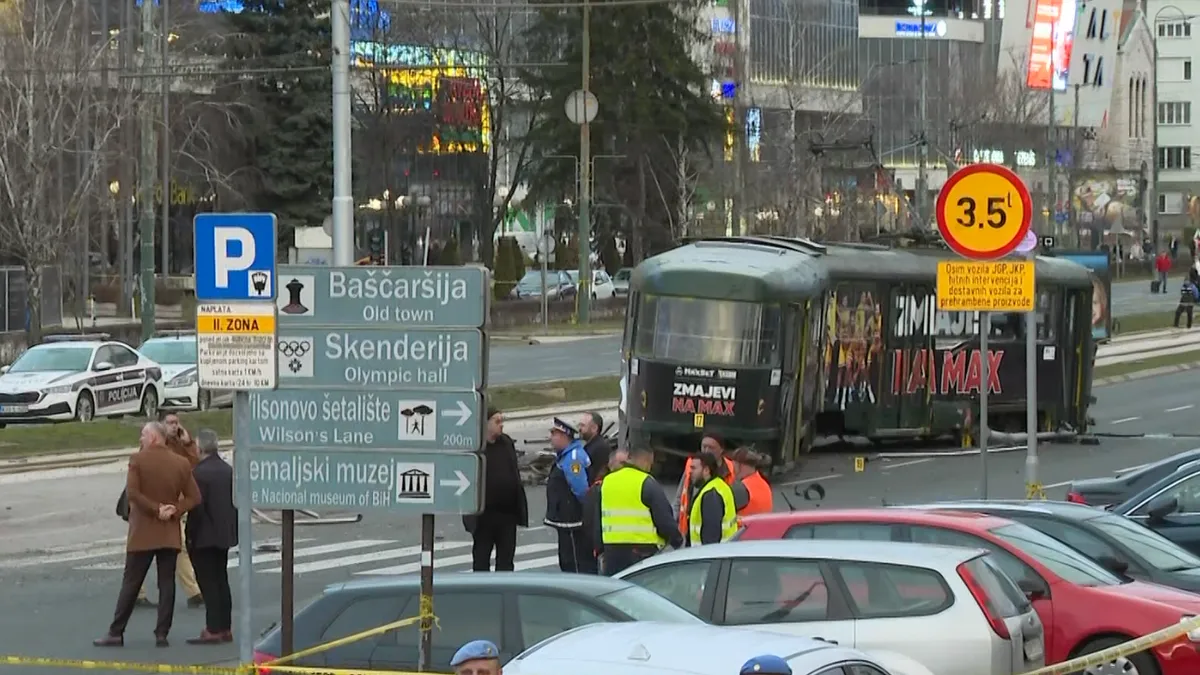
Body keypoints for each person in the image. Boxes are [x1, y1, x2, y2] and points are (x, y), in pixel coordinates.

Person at [94, 422, 201, 648]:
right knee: (167, 583)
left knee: (131, 582)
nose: (140, 439)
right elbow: (194, 497)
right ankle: (162, 633)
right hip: (169, 531)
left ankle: (116, 632)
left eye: (143, 435)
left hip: (143, 531)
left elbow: (133, 493)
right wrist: (175, 509)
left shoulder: (138, 460)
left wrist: (155, 509)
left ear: (153, 437)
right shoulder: (180, 463)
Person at [138, 413, 203, 609]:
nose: (174, 426)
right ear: (161, 426)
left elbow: (195, 466)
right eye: (170, 423)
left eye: (176, 423)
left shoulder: (179, 445)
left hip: (173, 506)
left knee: (179, 546)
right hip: (150, 508)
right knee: (143, 551)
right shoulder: (149, 447)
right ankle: (136, 592)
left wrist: (188, 443)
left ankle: (193, 592)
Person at [183, 429, 237, 645]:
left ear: (200, 448)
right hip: (224, 534)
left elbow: (196, 508)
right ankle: (225, 627)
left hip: (204, 535)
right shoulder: (228, 470)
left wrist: (190, 536)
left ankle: (213, 628)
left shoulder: (198, 474)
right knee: (221, 581)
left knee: (208, 584)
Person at [593, 446, 682, 575]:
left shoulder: (607, 481)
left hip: (612, 551)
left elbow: (598, 519)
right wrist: (677, 540)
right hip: (642, 552)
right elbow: (664, 520)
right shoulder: (646, 482)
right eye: (650, 464)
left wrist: (600, 549)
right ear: (646, 460)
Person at [464, 407, 528, 572]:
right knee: (481, 559)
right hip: (484, 516)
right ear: (485, 424)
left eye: (502, 421)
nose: (501, 425)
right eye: (497, 421)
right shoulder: (476, 446)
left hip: (507, 516)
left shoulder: (506, 443)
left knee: (506, 561)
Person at [543, 417, 596, 573]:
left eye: (554, 433)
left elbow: (581, 491)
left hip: (572, 523)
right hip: (567, 522)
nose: (551, 437)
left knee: (574, 563)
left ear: (564, 436)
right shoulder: (567, 456)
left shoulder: (572, 459)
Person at [675, 432, 735, 537]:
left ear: (721, 450)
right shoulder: (692, 464)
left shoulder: (730, 469)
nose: (706, 450)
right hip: (690, 531)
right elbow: (680, 496)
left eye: (711, 447)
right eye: (704, 446)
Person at [689, 451, 737, 546]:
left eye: (693, 468)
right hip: (724, 553)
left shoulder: (711, 494)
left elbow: (711, 536)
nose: (690, 472)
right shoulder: (719, 486)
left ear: (706, 470)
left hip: (710, 556)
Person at [729, 447, 774, 517]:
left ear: (740, 465)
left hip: (745, 527)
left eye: (734, 466)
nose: (732, 470)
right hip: (764, 526)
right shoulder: (764, 484)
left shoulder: (741, 488)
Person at [578, 411, 612, 483]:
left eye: (583, 425)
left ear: (594, 428)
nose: (579, 429)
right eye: (579, 425)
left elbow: (597, 476)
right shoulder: (591, 446)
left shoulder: (600, 449)